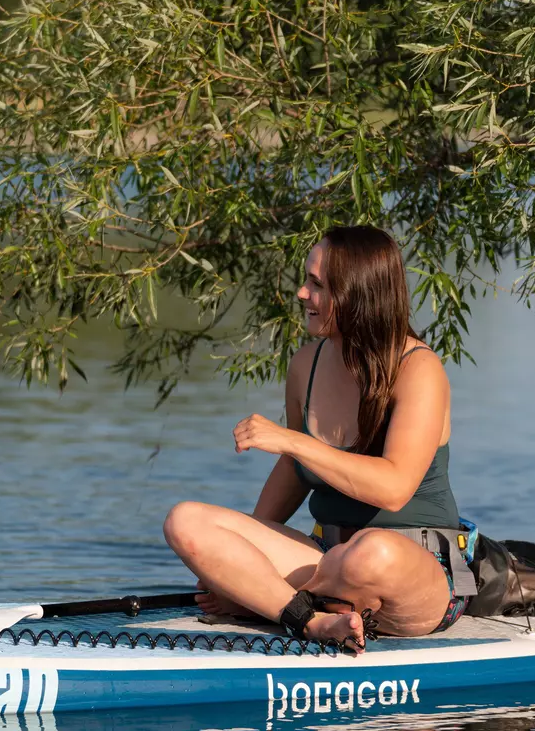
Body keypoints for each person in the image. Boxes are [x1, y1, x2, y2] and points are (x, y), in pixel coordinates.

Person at [163, 225, 466, 653]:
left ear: (358, 293)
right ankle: (307, 618)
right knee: (185, 520)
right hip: (325, 557)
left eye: (317, 285)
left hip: (409, 570)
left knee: (368, 553)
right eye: (306, 280)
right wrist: (233, 558)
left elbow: (394, 489)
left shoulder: (419, 368)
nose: (302, 294)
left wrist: (293, 440)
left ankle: (270, 600)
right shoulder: (305, 364)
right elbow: (293, 474)